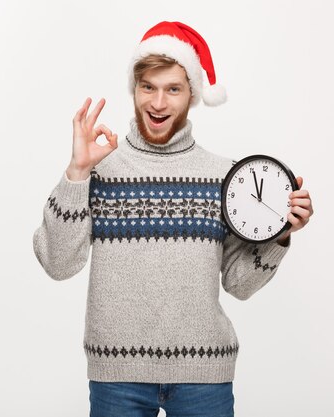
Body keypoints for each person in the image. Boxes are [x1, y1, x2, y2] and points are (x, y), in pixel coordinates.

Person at [32, 21, 314, 417]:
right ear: (134, 89)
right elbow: (58, 263)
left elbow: (238, 283)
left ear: (192, 94)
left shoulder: (224, 177)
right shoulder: (100, 168)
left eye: (173, 89)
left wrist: (280, 236)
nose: (159, 103)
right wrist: (77, 173)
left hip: (205, 376)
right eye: (148, 86)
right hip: (117, 375)